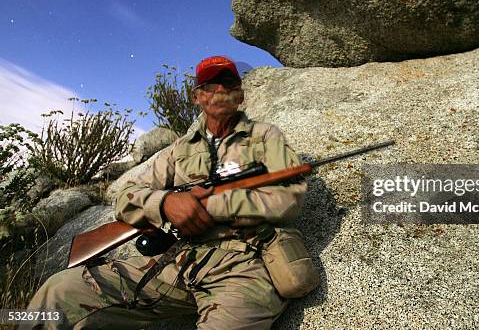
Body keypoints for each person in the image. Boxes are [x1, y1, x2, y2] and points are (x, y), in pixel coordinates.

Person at [26, 55, 308, 329]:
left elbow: (290, 196)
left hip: (241, 266)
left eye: (228, 84)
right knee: (59, 291)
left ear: (240, 95)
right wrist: (166, 203)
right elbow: (126, 195)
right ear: (197, 96)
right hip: (175, 261)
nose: (220, 90)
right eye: (210, 85)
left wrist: (212, 206)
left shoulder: (266, 137)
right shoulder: (178, 150)